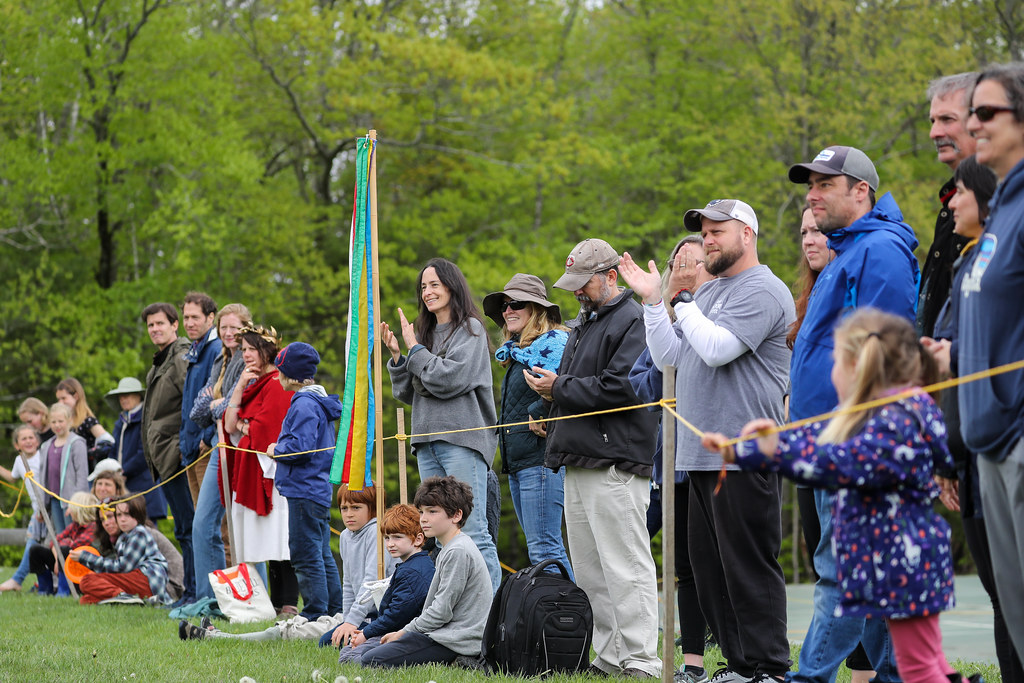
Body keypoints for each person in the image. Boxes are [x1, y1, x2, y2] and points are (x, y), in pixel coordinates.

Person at [702, 309, 968, 683]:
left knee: (920, 668)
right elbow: (816, 441)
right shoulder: (903, 407)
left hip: (901, 566)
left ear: (857, 367)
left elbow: (833, 461)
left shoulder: (889, 421)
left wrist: (768, 452)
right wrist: (753, 448)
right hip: (901, 563)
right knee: (930, 663)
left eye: (834, 362)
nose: (830, 374)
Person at [620, 199, 793, 683]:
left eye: (719, 230)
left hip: (743, 455)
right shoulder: (713, 295)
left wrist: (679, 303)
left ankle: (770, 669)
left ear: (748, 234)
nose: (709, 238)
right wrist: (655, 303)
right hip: (698, 456)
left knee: (748, 568)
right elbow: (670, 357)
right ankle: (742, 667)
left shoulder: (763, 289)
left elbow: (717, 350)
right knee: (711, 572)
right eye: (704, 230)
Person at [786, 145, 919, 682]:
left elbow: (884, 358)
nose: (812, 195)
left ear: (860, 191)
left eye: (825, 185)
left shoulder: (879, 251)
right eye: (809, 185)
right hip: (829, 438)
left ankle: (808, 677)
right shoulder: (850, 251)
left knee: (840, 575)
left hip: (854, 440)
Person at [526, 238, 661, 679]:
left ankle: (642, 659)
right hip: (580, 457)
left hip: (617, 462)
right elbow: (579, 384)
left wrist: (558, 389)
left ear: (610, 276)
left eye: (584, 283)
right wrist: (553, 414)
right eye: (573, 285)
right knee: (591, 570)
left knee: (625, 566)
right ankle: (610, 656)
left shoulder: (633, 319)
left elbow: (622, 387)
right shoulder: (587, 321)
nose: (577, 292)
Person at [925, 155, 1023, 683]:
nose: (951, 202)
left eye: (959, 192)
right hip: (966, 446)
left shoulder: (1003, 259)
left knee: (1014, 594)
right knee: (999, 592)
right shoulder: (965, 264)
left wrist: (950, 354)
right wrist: (948, 454)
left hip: (1002, 439)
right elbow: (950, 352)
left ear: (986, 197)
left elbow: (987, 348)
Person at [789, 208, 876, 683]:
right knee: (828, 560)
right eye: (803, 231)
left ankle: (854, 674)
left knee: (842, 572)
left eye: (818, 230)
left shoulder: (856, 280)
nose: (809, 239)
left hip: (845, 442)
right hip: (808, 447)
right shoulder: (811, 296)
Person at [957, 62, 1024, 667]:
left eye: (987, 112)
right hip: (987, 446)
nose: (973, 123)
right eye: (971, 112)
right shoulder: (1000, 210)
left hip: (1018, 438)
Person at [382, 257, 501, 591]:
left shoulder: (472, 331)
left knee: (473, 531)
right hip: (426, 441)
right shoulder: (424, 336)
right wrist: (398, 357)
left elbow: (449, 379)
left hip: (462, 441)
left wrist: (416, 355)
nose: (427, 292)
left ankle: (492, 620)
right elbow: (411, 390)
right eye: (423, 286)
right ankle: (458, 614)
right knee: (439, 534)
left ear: (452, 286)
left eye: (434, 284)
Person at [627, 234, 712, 683]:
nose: (683, 269)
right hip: (668, 467)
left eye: (692, 261)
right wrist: (665, 385)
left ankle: (743, 659)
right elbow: (641, 382)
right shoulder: (662, 323)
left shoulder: (717, 315)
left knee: (715, 562)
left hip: (712, 461)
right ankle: (693, 665)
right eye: (676, 262)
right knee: (681, 569)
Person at [180, 484, 395, 644]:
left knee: (298, 631)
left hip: (373, 617)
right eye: (344, 508)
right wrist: (347, 620)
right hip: (355, 615)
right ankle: (218, 634)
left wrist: (351, 623)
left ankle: (219, 638)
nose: (348, 514)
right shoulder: (347, 536)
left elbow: (370, 584)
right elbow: (348, 584)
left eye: (356, 508)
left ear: (373, 508)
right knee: (311, 627)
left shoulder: (377, 535)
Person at [481, 273, 573, 578]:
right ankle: (562, 620)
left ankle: (571, 622)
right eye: (505, 305)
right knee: (540, 550)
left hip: (542, 461)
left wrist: (540, 409)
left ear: (537, 309)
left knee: (546, 550)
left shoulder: (556, 344)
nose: (508, 310)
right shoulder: (518, 353)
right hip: (519, 463)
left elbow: (568, 388)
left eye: (516, 303)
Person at [361, 476, 491, 668]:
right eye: (421, 511)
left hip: (458, 641)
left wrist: (405, 632)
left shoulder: (458, 551)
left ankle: (462, 661)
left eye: (432, 512)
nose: (423, 518)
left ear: (456, 515)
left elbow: (441, 612)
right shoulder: (450, 547)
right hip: (443, 634)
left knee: (370, 659)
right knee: (368, 651)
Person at [267, 341, 345, 620]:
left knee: (304, 554)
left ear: (292, 375)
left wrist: (277, 449)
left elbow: (301, 447)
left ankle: (314, 613)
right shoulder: (315, 401)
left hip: (304, 490)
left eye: (280, 371)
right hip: (316, 488)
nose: (277, 376)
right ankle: (335, 611)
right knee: (321, 553)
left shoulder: (303, 404)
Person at [222, 324, 296, 615]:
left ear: (267, 351)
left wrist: (244, 426)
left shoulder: (278, 382)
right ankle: (272, 605)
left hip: (272, 474)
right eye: (243, 350)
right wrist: (239, 386)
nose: (247, 355)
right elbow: (230, 425)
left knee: (279, 537)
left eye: (252, 349)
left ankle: (287, 604)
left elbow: (266, 429)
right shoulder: (252, 384)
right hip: (250, 470)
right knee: (263, 540)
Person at [189, 302, 251, 601]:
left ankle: (252, 594)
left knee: (245, 525)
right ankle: (209, 597)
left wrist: (219, 404)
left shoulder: (247, 357)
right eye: (223, 327)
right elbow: (198, 411)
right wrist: (220, 404)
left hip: (243, 448)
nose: (228, 333)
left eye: (234, 328)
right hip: (219, 446)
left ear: (246, 329)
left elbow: (239, 403)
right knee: (202, 523)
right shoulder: (219, 360)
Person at [140, 301, 195, 605]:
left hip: (178, 456)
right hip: (164, 457)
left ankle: (195, 592)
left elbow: (190, 405)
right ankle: (191, 591)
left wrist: (179, 448)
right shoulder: (160, 362)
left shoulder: (181, 356)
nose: (155, 329)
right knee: (183, 527)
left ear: (175, 325)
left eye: (161, 323)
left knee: (189, 527)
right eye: (150, 325)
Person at [917, 72, 978, 338]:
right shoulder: (950, 201)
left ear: (981, 122)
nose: (934, 132)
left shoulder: (1004, 201)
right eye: (932, 121)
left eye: (947, 120)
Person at [335, 503, 435, 663]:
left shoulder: (412, 571)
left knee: (348, 656)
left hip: (408, 634)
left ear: (418, 539)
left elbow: (396, 616)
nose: (390, 544)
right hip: (400, 630)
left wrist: (366, 633)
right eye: (387, 538)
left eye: (397, 537)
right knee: (348, 649)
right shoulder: (413, 564)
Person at [71, 495, 172, 605]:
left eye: (127, 514)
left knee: (87, 581)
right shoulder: (124, 537)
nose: (122, 519)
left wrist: (85, 557)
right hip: (136, 579)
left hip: (148, 580)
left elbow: (123, 567)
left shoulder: (139, 533)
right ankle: (127, 599)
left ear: (137, 515)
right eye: (119, 515)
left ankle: (122, 596)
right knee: (86, 600)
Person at [179, 291, 221, 504]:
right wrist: (184, 442)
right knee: (200, 524)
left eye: (195, 317)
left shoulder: (217, 349)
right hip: (190, 451)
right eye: (186, 317)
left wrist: (206, 437)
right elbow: (188, 405)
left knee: (214, 527)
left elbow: (219, 395)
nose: (189, 323)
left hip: (206, 450)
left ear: (210, 317)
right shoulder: (195, 350)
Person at [105, 377, 167, 521]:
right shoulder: (120, 422)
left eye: (126, 395)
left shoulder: (146, 419)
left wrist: (122, 472)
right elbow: (114, 450)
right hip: (123, 484)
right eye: (120, 396)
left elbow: (145, 453)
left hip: (143, 485)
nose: (123, 399)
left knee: (148, 527)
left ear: (137, 396)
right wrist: (112, 472)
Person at [0, 425, 47, 592]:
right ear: (16, 445)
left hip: (47, 509)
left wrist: (43, 510)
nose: (28, 441)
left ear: (37, 440)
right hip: (37, 510)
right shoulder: (19, 460)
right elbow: (12, 478)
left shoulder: (44, 456)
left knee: (39, 543)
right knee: (32, 542)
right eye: (23, 439)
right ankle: (18, 580)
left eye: (31, 437)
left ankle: (18, 579)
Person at [28, 490, 98, 595]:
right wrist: (57, 559)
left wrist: (63, 547)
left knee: (66, 550)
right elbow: (54, 542)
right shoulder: (74, 526)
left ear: (80, 510)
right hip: (65, 563)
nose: (69, 511)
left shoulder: (93, 527)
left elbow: (74, 546)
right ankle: (45, 589)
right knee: (35, 550)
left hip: (80, 572)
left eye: (71, 508)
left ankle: (64, 591)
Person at [37, 402, 89, 534]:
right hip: (54, 500)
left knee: (73, 536)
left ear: (69, 420)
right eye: (53, 422)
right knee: (61, 537)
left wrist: (76, 503)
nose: (57, 425)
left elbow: (82, 475)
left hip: (70, 500)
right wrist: (42, 506)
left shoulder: (77, 443)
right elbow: (43, 477)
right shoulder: (46, 445)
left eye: (61, 421)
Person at [55, 377, 114, 464]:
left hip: (86, 471)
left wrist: (87, 454)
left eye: (64, 398)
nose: (60, 402)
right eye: (58, 399)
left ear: (76, 396)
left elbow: (108, 443)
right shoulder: (65, 422)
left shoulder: (87, 421)